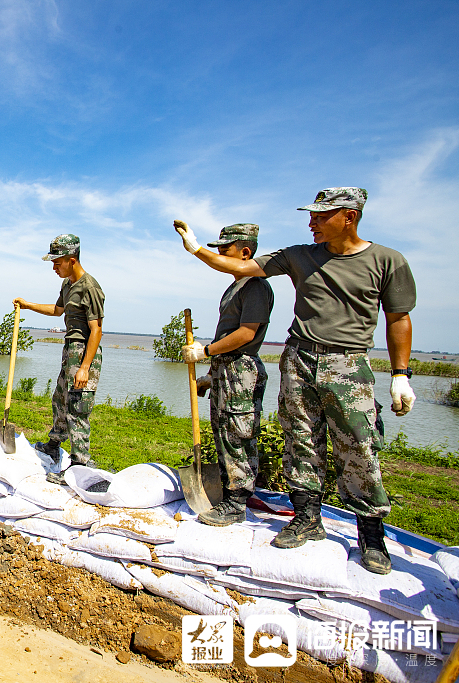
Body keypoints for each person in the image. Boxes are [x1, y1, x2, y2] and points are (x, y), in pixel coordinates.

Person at [175, 187, 417, 574]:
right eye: (312, 216)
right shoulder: (300, 255)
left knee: (357, 446)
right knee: (300, 439)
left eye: (322, 216)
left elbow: (398, 318)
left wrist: (401, 374)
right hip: (299, 357)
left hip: (348, 365)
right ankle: (307, 518)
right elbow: (242, 268)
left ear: (349, 217)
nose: (312, 222)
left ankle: (371, 534)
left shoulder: (387, 260)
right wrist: (195, 248)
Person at [179, 224, 274, 527]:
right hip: (226, 369)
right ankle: (228, 489)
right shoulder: (236, 286)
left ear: (245, 252)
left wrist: (205, 351)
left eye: (225, 249)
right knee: (223, 433)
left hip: (241, 370)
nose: (220, 254)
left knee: (237, 435)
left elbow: (247, 333)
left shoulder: (256, 285)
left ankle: (237, 500)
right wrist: (211, 372)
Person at [14, 234, 104, 485]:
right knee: (60, 399)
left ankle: (79, 466)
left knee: (78, 408)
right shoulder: (67, 284)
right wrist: (28, 305)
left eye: (57, 262)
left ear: (72, 260)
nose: (54, 267)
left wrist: (85, 367)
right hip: (70, 349)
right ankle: (54, 444)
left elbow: (96, 329)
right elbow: (57, 311)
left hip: (85, 351)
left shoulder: (90, 287)